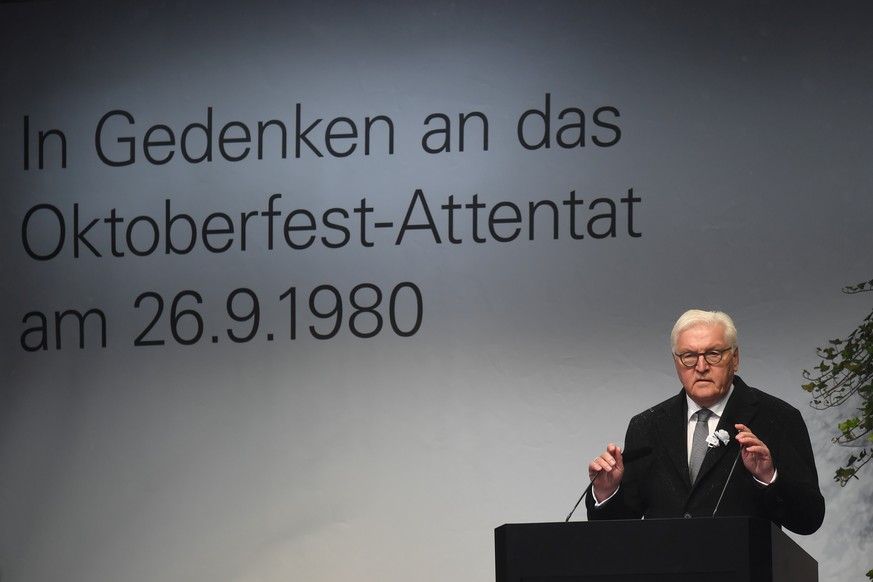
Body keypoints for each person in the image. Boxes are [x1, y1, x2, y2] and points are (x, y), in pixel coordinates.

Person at [585, 309, 825, 535]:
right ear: (676, 362)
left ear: (735, 358)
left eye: (713, 354)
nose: (701, 367)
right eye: (689, 356)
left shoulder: (778, 418)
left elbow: (809, 519)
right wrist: (606, 492)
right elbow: (617, 533)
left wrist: (769, 477)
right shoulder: (646, 426)